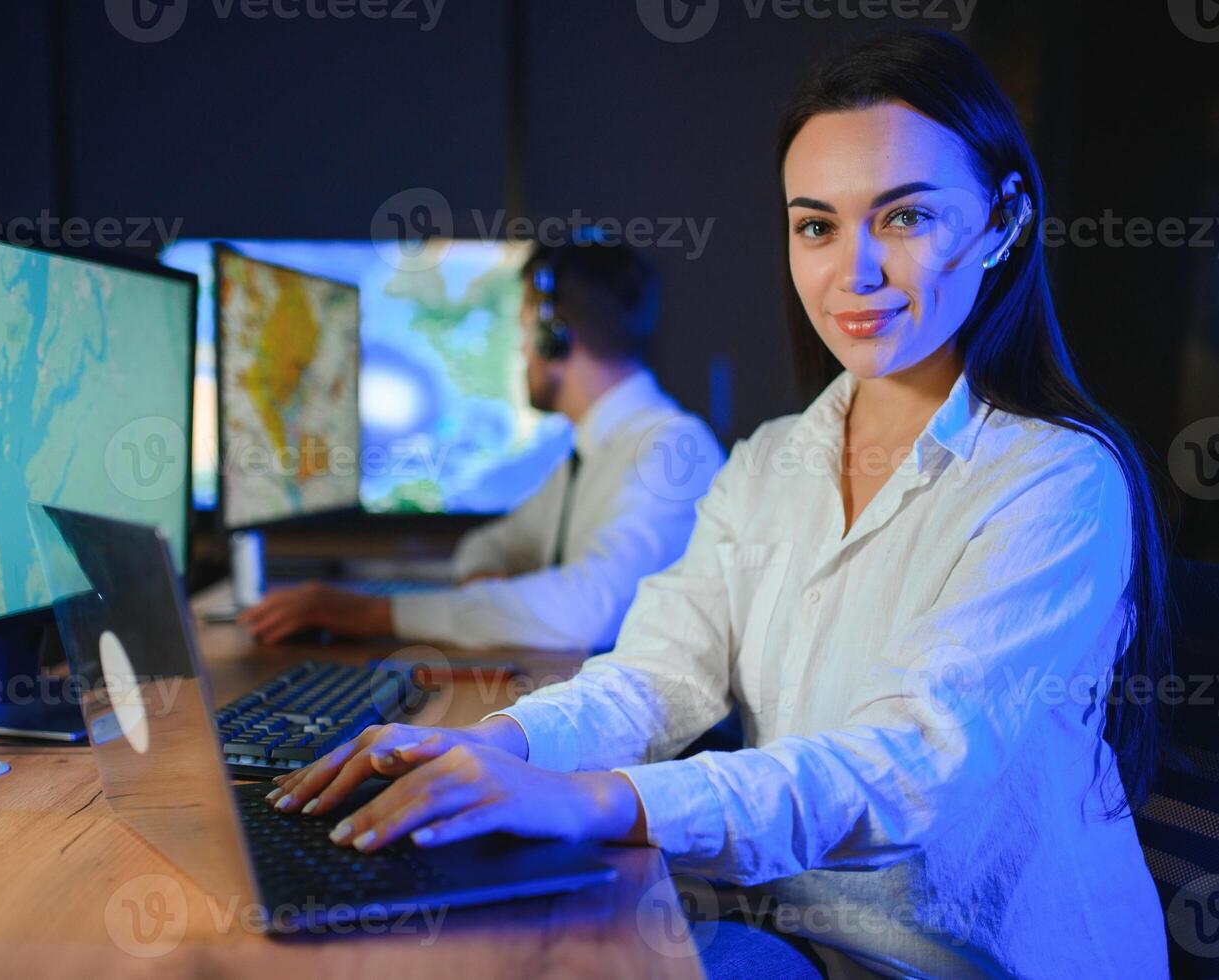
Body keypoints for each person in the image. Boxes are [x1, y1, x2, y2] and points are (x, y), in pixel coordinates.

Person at [258, 30, 1171, 978]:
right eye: (815, 226)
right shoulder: (769, 462)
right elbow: (655, 673)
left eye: (903, 218)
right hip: (818, 949)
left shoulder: (1057, 482)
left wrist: (594, 798)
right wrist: (492, 745)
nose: (852, 272)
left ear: (1004, 222)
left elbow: (906, 772)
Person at [239, 238, 724, 652]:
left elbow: (589, 612)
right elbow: (490, 544)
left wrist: (372, 614)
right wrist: (483, 591)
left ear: (553, 335)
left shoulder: (670, 451)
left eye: (523, 328)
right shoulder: (596, 453)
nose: (520, 349)